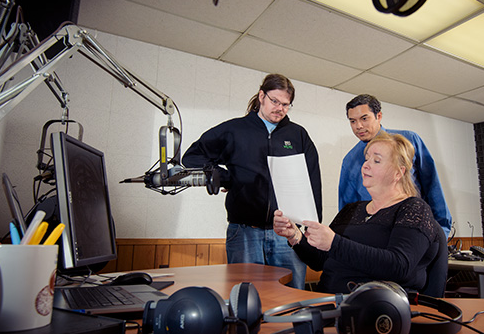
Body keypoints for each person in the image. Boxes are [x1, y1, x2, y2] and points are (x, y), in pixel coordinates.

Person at [182, 74, 322, 289]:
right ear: (261, 96)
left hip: (287, 233)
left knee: (293, 297)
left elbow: (312, 180)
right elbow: (192, 157)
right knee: (245, 300)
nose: (280, 108)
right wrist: (225, 177)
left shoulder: (298, 135)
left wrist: (313, 227)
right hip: (245, 232)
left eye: (286, 104)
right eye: (275, 101)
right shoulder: (235, 130)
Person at [274, 132, 448, 296]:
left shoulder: (413, 209)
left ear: (398, 172)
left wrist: (334, 243)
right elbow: (320, 261)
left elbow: (399, 265)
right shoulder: (352, 209)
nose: (366, 164)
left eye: (377, 161)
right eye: (366, 159)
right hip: (327, 302)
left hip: (376, 309)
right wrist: (295, 236)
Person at [339, 94, 452, 236]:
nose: (358, 126)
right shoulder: (350, 161)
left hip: (416, 233)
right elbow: (347, 210)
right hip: (376, 239)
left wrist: (441, 233)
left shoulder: (409, 141)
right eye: (352, 121)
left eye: (364, 118)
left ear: (378, 116)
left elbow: (432, 187)